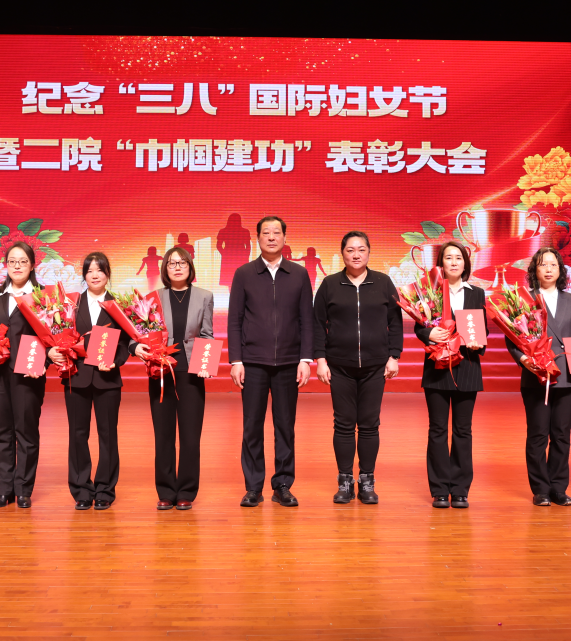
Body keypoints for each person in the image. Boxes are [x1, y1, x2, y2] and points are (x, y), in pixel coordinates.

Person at [228, 215, 314, 507]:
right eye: (266, 233)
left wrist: (305, 359)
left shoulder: (299, 274)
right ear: (258, 239)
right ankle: (253, 487)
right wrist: (236, 360)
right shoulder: (244, 273)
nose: (272, 237)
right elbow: (235, 319)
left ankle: (283, 485)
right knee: (252, 426)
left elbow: (307, 319)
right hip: (252, 362)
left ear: (285, 238)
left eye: (277, 232)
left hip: (289, 362)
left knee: (285, 426)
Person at [313, 231, 402, 505]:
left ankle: (366, 481)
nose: (356, 254)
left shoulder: (383, 282)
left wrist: (394, 356)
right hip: (339, 366)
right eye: (350, 250)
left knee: (369, 425)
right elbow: (317, 324)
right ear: (342, 253)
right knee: (343, 424)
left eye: (361, 249)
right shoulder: (330, 284)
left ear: (369, 253)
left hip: (375, 366)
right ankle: (344, 482)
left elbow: (395, 321)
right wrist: (320, 360)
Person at [134, 246, 214, 510]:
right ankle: (166, 491)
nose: (177, 267)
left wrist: (206, 364)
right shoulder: (153, 298)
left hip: (191, 374)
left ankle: (187, 491)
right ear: (165, 269)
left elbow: (207, 334)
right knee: (164, 435)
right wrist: (140, 349)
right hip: (161, 372)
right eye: (171, 263)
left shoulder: (204, 296)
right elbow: (142, 333)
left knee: (190, 437)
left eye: (182, 263)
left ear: (190, 267)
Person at [0, 241, 47, 508]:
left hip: (28, 371)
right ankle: (5, 489)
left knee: (26, 431)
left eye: (23, 261)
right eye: (12, 261)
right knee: (1, 431)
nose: (17, 266)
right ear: (6, 265)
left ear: (32, 265)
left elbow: (54, 334)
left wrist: (45, 361)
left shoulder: (43, 297)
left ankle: (23, 489)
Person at [508, 247, 571, 507]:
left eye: (553, 264)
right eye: (543, 264)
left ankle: (558, 488)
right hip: (535, 376)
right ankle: (540, 488)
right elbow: (512, 338)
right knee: (538, 434)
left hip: (567, 375)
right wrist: (523, 359)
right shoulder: (523, 300)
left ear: (561, 270)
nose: (549, 269)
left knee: (562, 434)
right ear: (535, 270)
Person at [56, 252, 130, 510]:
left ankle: (105, 490)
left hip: (107, 378)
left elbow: (127, 341)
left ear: (108, 274)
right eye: (89, 271)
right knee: (77, 434)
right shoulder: (71, 304)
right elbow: (59, 335)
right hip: (76, 377)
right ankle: (81, 490)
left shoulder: (120, 305)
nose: (95, 275)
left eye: (100, 270)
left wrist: (116, 361)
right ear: (84, 275)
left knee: (108, 435)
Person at [418, 241, 485, 508]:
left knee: (463, 430)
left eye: (459, 257)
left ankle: (459, 490)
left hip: (467, 366)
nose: (454, 262)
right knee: (437, 429)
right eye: (449, 257)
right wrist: (428, 333)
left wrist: (479, 343)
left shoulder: (477, 293)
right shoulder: (430, 292)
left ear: (466, 263)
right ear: (441, 263)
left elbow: (481, 329)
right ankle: (439, 490)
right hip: (436, 367)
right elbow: (421, 326)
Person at [216, 213, 251, 289]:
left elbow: (248, 246)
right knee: (232, 279)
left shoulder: (224, 231)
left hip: (235, 257)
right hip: (235, 257)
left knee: (236, 280)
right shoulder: (244, 231)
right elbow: (248, 246)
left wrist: (224, 254)